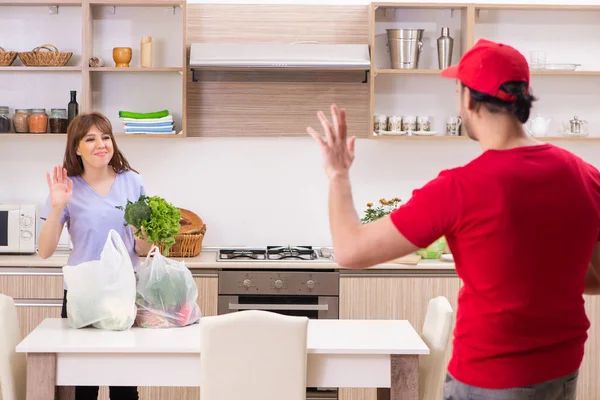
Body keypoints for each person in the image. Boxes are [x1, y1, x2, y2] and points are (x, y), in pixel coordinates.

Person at [307, 39, 600, 400]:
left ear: (469, 101)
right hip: (562, 371)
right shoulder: (584, 175)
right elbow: (596, 278)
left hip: (489, 379)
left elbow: (350, 252)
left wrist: (338, 175)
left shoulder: (460, 187)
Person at [38, 112, 152, 400]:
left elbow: (142, 249)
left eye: (105, 136)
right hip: (83, 293)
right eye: (90, 138)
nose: (101, 144)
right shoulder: (66, 188)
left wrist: (143, 234)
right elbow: (45, 251)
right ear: (77, 147)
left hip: (124, 291)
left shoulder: (132, 183)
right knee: (82, 388)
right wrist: (56, 207)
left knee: (124, 388)